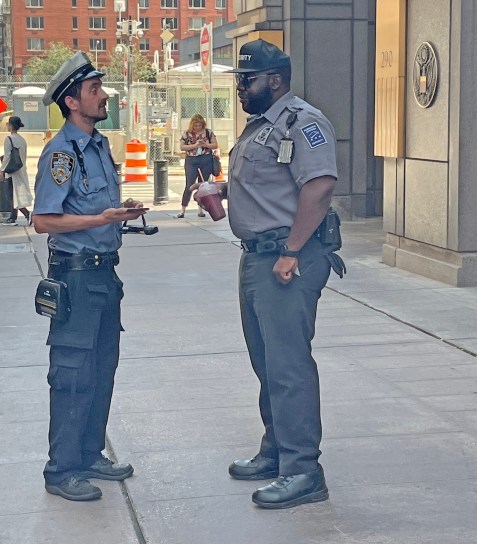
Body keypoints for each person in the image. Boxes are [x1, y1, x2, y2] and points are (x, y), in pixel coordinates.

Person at [196, 40, 343, 509]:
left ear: (275, 80)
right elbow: (268, 185)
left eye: (248, 79)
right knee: (266, 361)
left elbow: (318, 188)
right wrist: (219, 187)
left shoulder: (304, 123)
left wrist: (292, 250)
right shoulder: (260, 128)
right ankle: (277, 450)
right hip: (258, 257)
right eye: (239, 79)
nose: (240, 88)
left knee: (288, 366)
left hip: (287, 260)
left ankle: (303, 471)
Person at [32, 51, 146, 502]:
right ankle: (61, 470)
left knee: (102, 369)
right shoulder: (62, 153)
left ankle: (89, 453)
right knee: (72, 373)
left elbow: (96, 214)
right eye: (94, 90)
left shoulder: (98, 145)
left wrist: (121, 216)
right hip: (75, 280)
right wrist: (101, 218)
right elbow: (44, 220)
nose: (103, 97)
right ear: (73, 102)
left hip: (104, 276)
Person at [177, 114, 217, 218]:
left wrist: (206, 145)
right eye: (196, 126)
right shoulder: (187, 133)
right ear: (192, 125)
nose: (198, 128)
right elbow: (182, 147)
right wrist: (195, 145)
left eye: (200, 125)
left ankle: (200, 209)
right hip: (191, 159)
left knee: (202, 184)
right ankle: (183, 209)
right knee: (189, 184)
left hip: (205, 159)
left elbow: (215, 144)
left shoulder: (208, 132)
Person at [0, 116, 34, 225]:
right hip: (21, 169)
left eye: (8, 124)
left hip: (12, 171)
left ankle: (25, 215)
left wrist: (1, 171)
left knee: (11, 195)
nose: (7, 126)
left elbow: (7, 157)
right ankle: (14, 217)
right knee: (16, 194)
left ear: (11, 126)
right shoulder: (22, 140)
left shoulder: (9, 139)